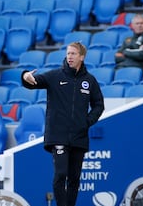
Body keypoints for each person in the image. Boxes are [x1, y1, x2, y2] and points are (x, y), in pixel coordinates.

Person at [21, 42, 104, 206]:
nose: (70, 57)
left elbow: (99, 104)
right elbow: (33, 82)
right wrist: (25, 76)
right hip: (58, 135)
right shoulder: (55, 76)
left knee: (74, 178)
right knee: (60, 174)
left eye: (73, 54)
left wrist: (86, 122)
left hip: (79, 136)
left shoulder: (89, 80)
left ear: (82, 57)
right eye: (68, 53)